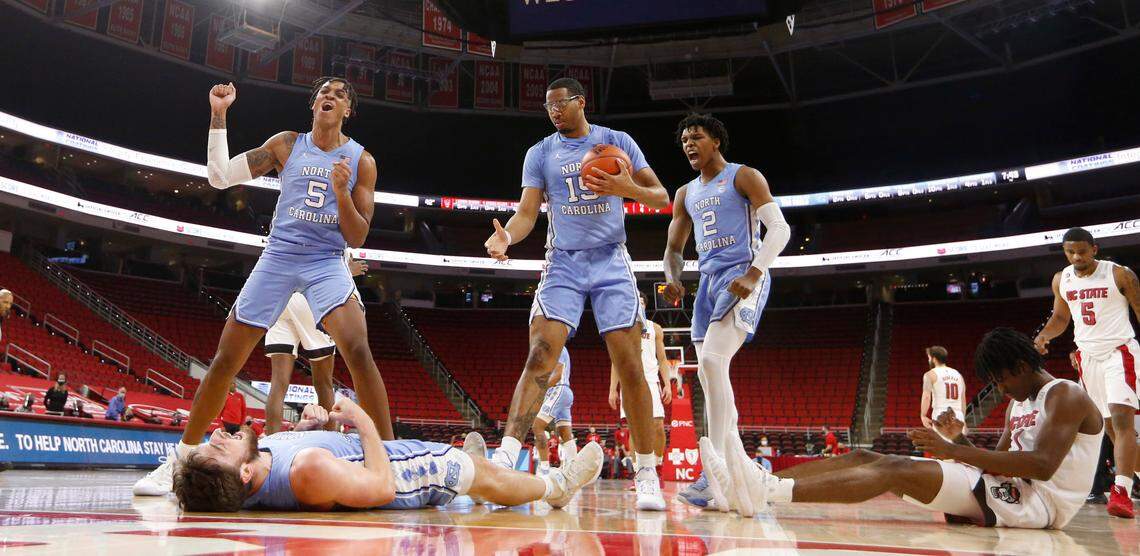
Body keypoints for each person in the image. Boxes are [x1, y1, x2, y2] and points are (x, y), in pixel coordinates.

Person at [134, 78, 395, 496]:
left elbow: (358, 236)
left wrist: (342, 194)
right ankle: (179, 460)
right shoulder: (286, 145)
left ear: (349, 110)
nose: (330, 95)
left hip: (326, 260)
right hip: (279, 255)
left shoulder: (361, 160)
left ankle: (391, 457)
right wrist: (219, 115)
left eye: (341, 93)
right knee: (224, 360)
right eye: (324, 91)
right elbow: (220, 177)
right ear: (314, 104)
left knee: (359, 350)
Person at [701, 328, 1103, 530]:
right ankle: (759, 481)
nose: (999, 389)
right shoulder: (1020, 399)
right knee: (866, 456)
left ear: (1019, 368)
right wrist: (957, 439)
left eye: (1000, 380)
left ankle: (768, 493)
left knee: (894, 471)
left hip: (1041, 505)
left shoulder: (1064, 395)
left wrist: (955, 451)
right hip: (1012, 489)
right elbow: (997, 464)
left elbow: (1042, 465)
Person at [482, 77, 669, 510]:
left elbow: (660, 196)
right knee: (540, 356)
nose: (554, 112)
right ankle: (505, 461)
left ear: (580, 102)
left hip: (610, 260)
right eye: (548, 107)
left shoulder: (616, 141)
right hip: (563, 260)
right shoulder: (540, 153)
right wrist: (507, 238)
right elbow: (528, 213)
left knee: (629, 365)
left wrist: (627, 190)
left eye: (560, 105)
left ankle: (645, 473)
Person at [665, 113, 789, 516]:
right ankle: (731, 472)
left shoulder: (743, 177)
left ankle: (713, 472)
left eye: (696, 137)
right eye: (684, 139)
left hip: (743, 274)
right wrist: (673, 279)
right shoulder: (685, 193)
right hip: (707, 282)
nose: (689, 144)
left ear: (716, 140)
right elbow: (673, 249)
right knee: (707, 372)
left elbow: (780, 230)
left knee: (715, 363)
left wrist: (754, 273)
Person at [172, 397, 603, 512]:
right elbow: (380, 485)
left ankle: (479, 480)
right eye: (218, 448)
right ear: (245, 473)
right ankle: (555, 487)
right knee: (469, 470)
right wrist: (361, 418)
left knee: (474, 471)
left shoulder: (263, 460)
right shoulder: (306, 470)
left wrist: (308, 428)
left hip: (395, 459)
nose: (218, 434)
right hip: (403, 471)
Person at [1033, 227, 1140, 518]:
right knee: (1110, 429)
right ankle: (1130, 476)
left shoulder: (1120, 274)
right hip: (1087, 358)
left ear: (1095, 249)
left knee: (1121, 419)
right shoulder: (1062, 279)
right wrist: (1044, 337)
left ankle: (1121, 494)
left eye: (1082, 250)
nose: (1077, 256)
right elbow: (1060, 318)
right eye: (1070, 252)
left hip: (1120, 352)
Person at [264, 257, 369, 435]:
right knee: (324, 383)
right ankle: (330, 440)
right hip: (308, 298)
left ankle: (270, 444)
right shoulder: (337, 233)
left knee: (278, 384)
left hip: (279, 296)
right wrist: (347, 271)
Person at [609, 295, 672, 475]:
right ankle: (639, 473)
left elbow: (662, 359)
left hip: (652, 380)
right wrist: (613, 389)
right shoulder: (622, 329)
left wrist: (667, 384)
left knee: (658, 426)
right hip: (629, 382)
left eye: (642, 301)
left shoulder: (655, 328)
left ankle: (657, 466)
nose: (639, 304)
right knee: (634, 428)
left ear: (645, 305)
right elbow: (616, 361)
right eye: (636, 301)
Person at [532, 348, 576, 475]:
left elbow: (557, 375)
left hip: (559, 389)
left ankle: (544, 468)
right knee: (565, 433)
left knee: (537, 426)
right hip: (564, 391)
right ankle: (574, 469)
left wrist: (540, 390)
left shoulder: (557, 347)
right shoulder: (554, 349)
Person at [921, 346, 967, 441]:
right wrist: (963, 419)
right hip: (958, 414)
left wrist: (923, 415)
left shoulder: (930, 374)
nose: (929, 360)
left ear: (934, 359)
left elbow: (926, 397)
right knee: (958, 450)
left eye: (929, 358)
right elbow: (963, 399)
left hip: (941, 414)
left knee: (943, 450)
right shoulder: (958, 375)